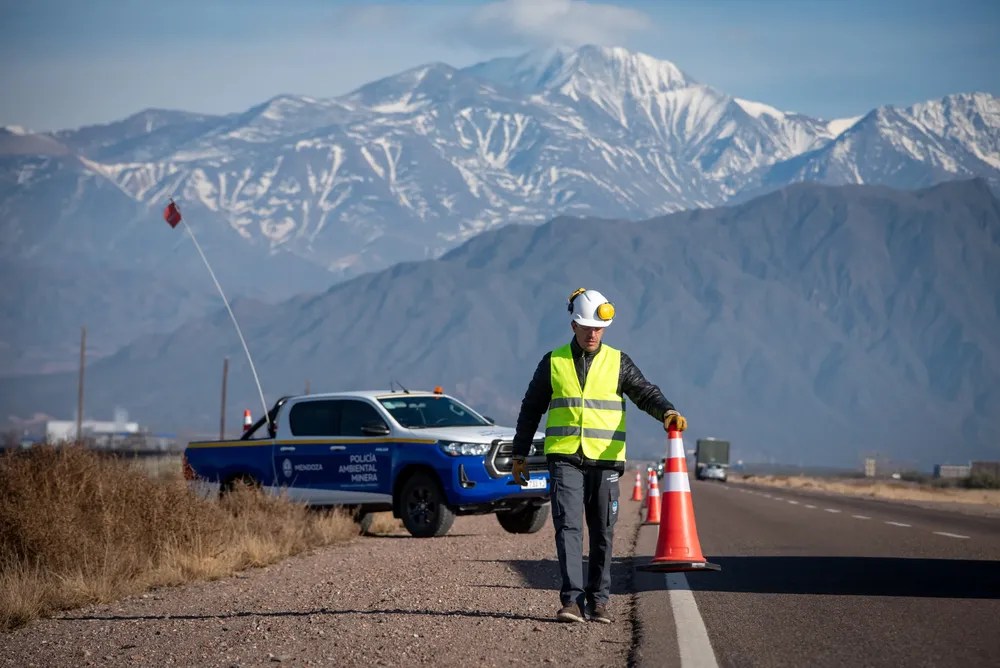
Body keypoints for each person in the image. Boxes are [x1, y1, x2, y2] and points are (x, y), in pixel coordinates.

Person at [510, 288, 687, 624]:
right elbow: (531, 409)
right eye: (586, 326)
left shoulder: (619, 362)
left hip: (605, 461)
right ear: (573, 325)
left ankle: (600, 601)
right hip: (564, 458)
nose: (593, 333)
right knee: (568, 527)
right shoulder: (554, 361)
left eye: (598, 328)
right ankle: (572, 602)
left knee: (603, 531)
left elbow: (644, 392)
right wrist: (519, 454)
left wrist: (666, 411)